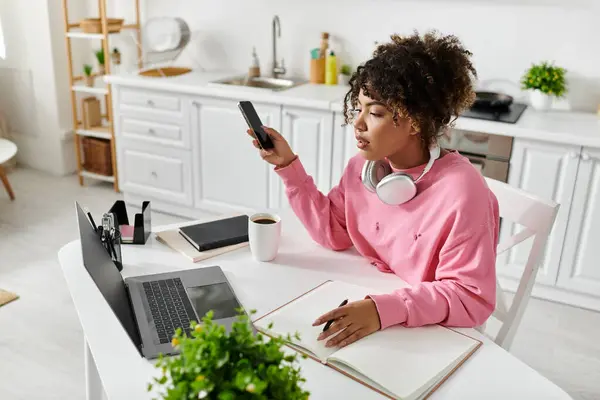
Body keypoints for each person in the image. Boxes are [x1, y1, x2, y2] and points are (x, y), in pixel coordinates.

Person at [246, 31, 499, 349]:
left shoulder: (462, 191)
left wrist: (383, 310)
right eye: (359, 108)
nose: (359, 123)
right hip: (384, 305)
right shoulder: (364, 169)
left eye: (376, 113)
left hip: (434, 333)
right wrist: (289, 167)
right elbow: (334, 231)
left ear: (415, 120)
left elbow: (470, 298)